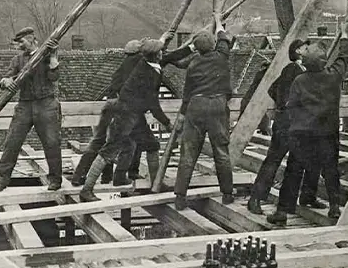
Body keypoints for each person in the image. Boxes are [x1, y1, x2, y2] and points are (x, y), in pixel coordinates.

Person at [79, 33, 192, 202]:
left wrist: (190, 48)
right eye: (161, 51)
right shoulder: (148, 73)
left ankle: (156, 184)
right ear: (157, 54)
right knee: (109, 150)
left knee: (152, 145)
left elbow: (170, 56)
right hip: (125, 115)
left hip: (135, 116)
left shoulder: (147, 62)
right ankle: (86, 190)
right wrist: (167, 123)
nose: (163, 53)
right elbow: (153, 104)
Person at [270, 36, 348, 224]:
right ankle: (334, 208)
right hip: (327, 134)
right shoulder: (333, 77)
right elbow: (344, 59)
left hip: (303, 134)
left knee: (293, 172)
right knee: (331, 170)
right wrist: (344, 38)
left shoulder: (299, 81)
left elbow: (291, 107)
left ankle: (282, 212)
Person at [248, 39, 324, 216]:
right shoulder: (292, 70)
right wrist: (286, 106)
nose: (309, 50)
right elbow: (280, 94)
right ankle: (256, 199)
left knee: (301, 162)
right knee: (274, 160)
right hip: (289, 124)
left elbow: (272, 89)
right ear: (298, 51)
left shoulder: (302, 71)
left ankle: (298, 201)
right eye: (306, 48)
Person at [173, 13, 235, 210]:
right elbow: (223, 36)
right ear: (213, 45)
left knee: (188, 153)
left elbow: (187, 93)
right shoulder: (222, 55)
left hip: (196, 106)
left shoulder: (192, 64)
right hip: (217, 104)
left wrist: (183, 115)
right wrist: (217, 20)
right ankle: (227, 194)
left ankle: (180, 197)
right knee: (221, 151)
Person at [0, 27, 62, 192]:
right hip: (25, 105)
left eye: (21, 42)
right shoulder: (17, 60)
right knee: (12, 141)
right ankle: (2, 179)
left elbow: (54, 77)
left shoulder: (47, 56)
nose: (19, 45)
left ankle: (55, 180)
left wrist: (53, 56)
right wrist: (5, 81)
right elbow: (7, 77)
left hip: (46, 104)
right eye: (18, 42)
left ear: (32, 40)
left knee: (52, 142)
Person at [72, 39, 142, 187]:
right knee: (129, 143)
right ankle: (120, 176)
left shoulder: (123, 66)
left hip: (109, 105)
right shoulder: (138, 64)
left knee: (98, 141)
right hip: (121, 108)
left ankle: (80, 175)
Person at [239, 62, 272, 136]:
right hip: (254, 97)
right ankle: (265, 130)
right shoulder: (263, 75)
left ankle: (265, 129)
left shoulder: (260, 74)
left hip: (252, 97)